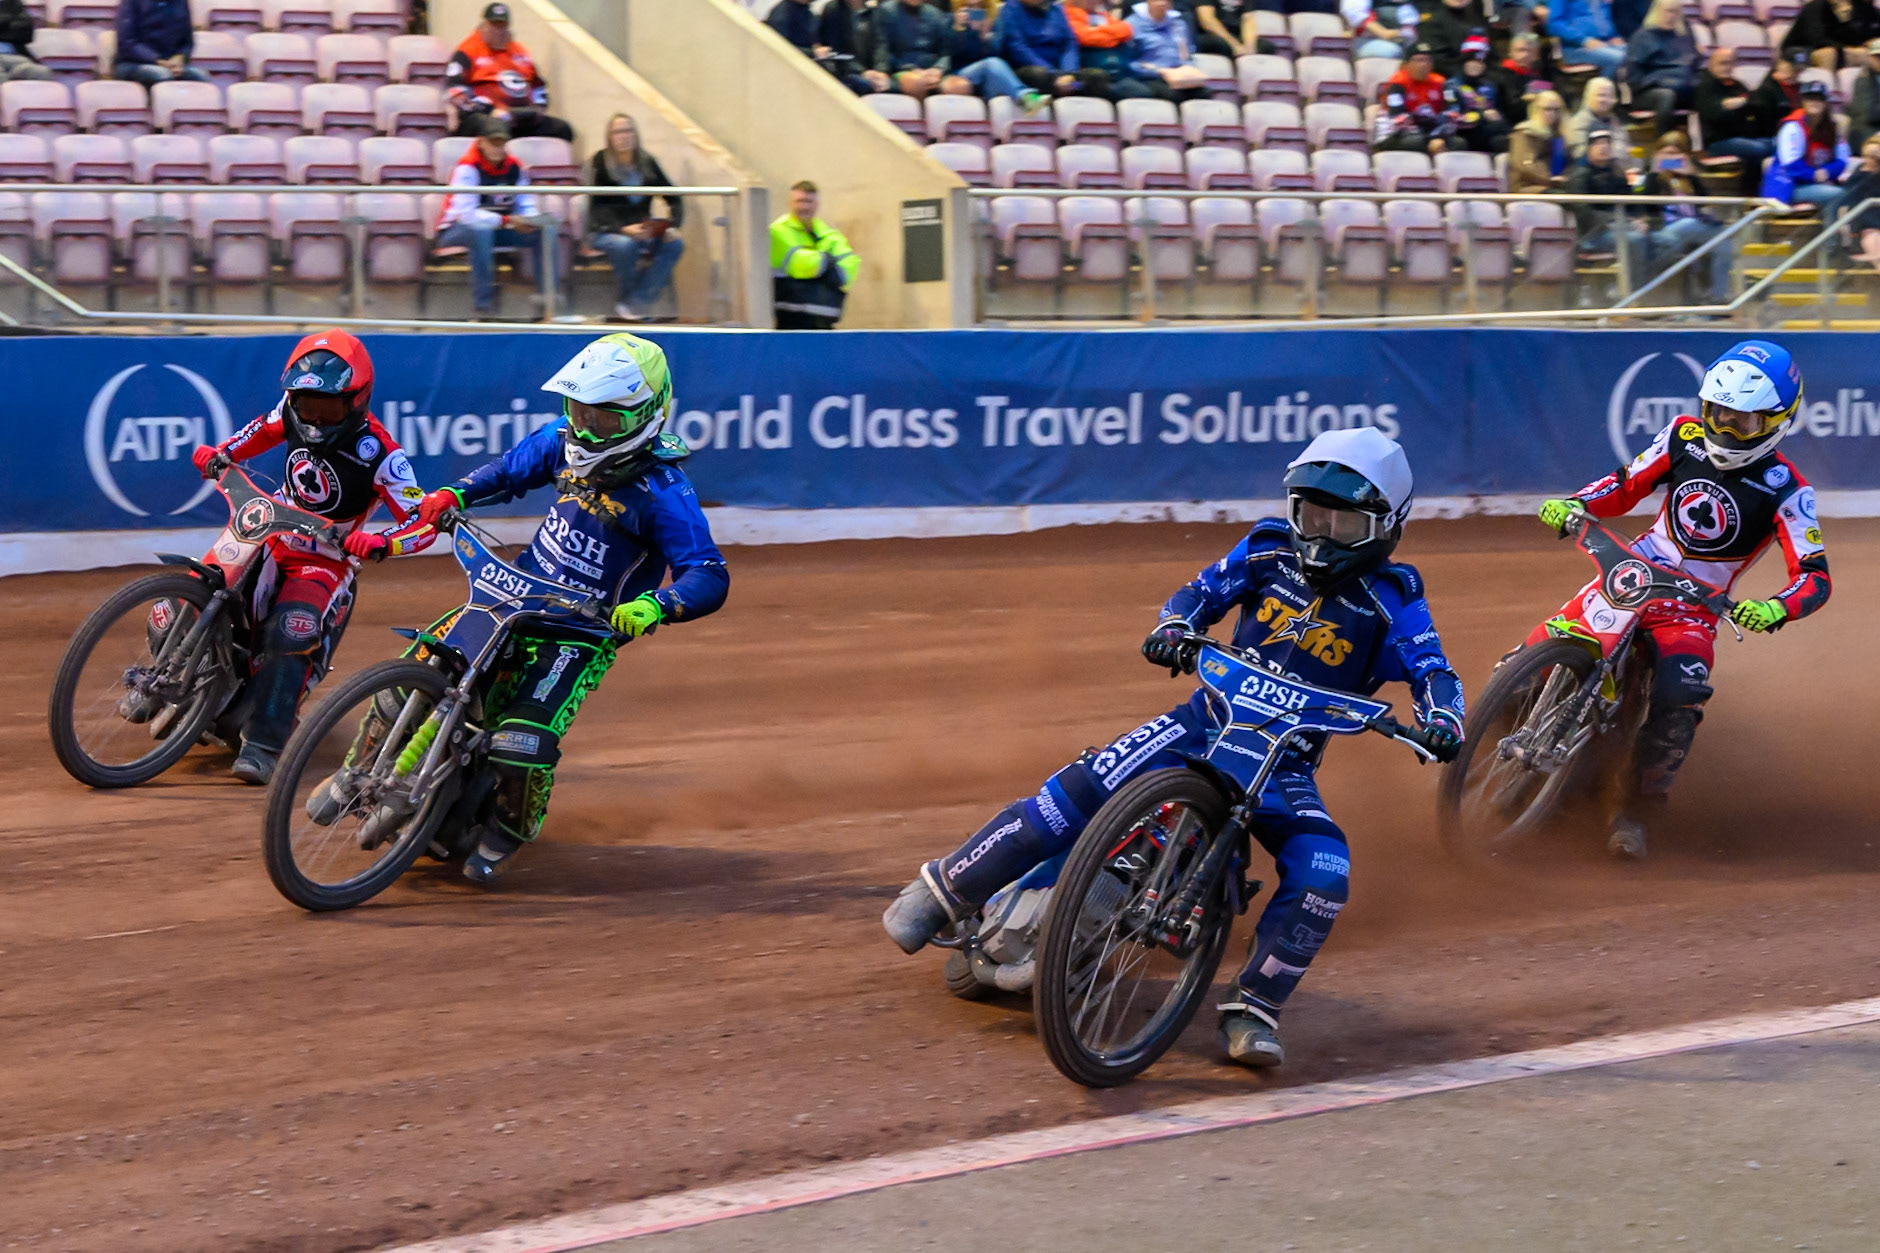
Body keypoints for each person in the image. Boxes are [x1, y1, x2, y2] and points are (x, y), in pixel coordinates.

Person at [881, 427, 1466, 1070]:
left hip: (1282, 763)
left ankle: (1254, 1008)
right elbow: (1199, 593)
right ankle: (942, 892)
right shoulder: (1268, 550)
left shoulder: (1394, 598)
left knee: (1326, 869)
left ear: (1387, 526)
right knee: (1073, 792)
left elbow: (1433, 670)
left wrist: (1443, 719)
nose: (1322, 534)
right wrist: (1175, 625)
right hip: (1199, 722)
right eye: (1312, 514)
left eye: (1344, 522)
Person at [412, 334, 729, 883]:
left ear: (646, 416)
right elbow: (509, 472)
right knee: (415, 669)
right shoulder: (561, 440)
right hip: (512, 591)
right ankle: (352, 775)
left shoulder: (665, 492)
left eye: (604, 421)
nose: (586, 430)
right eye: (579, 412)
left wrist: (658, 605)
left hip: (582, 631)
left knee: (521, 742)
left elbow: (709, 573)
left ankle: (509, 828)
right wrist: (455, 494)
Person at [1534, 341, 1829, 859]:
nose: (1724, 429)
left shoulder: (1788, 490)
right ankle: (1488, 737)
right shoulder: (1682, 437)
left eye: (1743, 422)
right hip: (1634, 569)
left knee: (1680, 693)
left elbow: (1814, 576)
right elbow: (1626, 485)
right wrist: (1576, 503)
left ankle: (1637, 811)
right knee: (1543, 646)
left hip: (1695, 607)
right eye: (1717, 413)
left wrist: (1775, 608)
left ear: (1779, 421)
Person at [183, 332, 434, 784]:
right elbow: (254, 435)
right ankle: (170, 675)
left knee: (291, 630)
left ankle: (264, 745)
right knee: (195, 587)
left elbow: (421, 521)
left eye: (329, 408)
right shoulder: (288, 413)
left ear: (358, 400)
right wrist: (220, 455)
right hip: (268, 524)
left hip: (324, 557)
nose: (315, 418)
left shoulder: (383, 454)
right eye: (306, 405)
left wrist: (383, 542)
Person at [434, 117, 544, 320]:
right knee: (480, 230)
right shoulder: (467, 167)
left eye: (501, 143)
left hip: (499, 228)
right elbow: (467, 215)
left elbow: (526, 202)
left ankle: (547, 300)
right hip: (454, 230)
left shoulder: (515, 167)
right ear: (481, 142)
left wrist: (531, 220)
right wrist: (508, 221)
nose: (497, 147)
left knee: (543, 232)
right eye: (493, 142)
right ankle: (483, 307)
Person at [586, 113, 684, 324]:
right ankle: (633, 307)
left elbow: (674, 197)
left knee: (675, 244)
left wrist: (672, 226)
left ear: (635, 134)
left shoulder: (647, 163)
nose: (623, 136)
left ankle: (635, 302)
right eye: (617, 132)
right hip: (604, 230)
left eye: (627, 130)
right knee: (625, 245)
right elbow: (594, 207)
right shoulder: (600, 162)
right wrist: (623, 228)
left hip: (641, 230)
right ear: (609, 137)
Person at [445, 1, 575, 140]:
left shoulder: (520, 52)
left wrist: (537, 110)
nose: (499, 31)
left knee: (562, 129)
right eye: (494, 26)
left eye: (503, 26)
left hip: (519, 116)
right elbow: (455, 91)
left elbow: (538, 86)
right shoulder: (467, 51)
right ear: (483, 26)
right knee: (497, 129)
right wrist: (490, 111)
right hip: (482, 117)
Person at [1640, 132, 1735, 302]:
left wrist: (1690, 174)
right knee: (1690, 224)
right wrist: (1658, 168)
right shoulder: (1652, 176)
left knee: (1725, 243)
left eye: (1676, 154)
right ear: (1658, 154)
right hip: (1663, 232)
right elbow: (1645, 201)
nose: (1672, 160)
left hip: (1693, 231)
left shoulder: (1688, 178)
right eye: (1667, 154)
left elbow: (1705, 201)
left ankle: (1718, 297)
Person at [771, 180, 860, 329]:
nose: (804, 206)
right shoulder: (778, 231)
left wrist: (821, 265)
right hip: (791, 322)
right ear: (790, 203)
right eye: (799, 201)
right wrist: (829, 262)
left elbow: (849, 266)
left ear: (816, 205)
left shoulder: (827, 232)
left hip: (825, 322)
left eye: (808, 201)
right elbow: (800, 263)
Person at [767, 0, 896, 95]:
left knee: (888, 86)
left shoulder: (807, 11)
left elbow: (880, 43)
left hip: (827, 67)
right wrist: (813, 52)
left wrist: (880, 71)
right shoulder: (783, 13)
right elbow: (778, 48)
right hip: (797, 74)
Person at [1696, 46, 1777, 190]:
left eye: (1730, 63)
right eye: (1722, 63)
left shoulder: (1736, 85)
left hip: (1743, 137)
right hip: (1718, 142)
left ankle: (1758, 191)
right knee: (1760, 148)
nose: (1727, 67)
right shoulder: (1704, 86)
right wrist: (1741, 107)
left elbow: (1755, 104)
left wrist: (1738, 104)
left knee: (1774, 144)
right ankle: (1751, 192)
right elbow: (1715, 115)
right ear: (1711, 63)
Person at [1568, 128, 1648, 272]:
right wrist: (1625, 221)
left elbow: (1632, 198)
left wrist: (1640, 218)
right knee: (1635, 240)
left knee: (1663, 240)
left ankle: (1651, 282)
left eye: (1606, 143)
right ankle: (1637, 289)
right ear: (1588, 148)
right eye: (1598, 143)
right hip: (1593, 234)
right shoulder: (1579, 174)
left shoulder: (1617, 172)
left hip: (1621, 225)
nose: (1603, 147)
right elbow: (1584, 213)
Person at [1762, 80, 1851, 208]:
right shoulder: (1793, 127)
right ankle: (1832, 228)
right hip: (1791, 184)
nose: (1814, 102)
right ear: (1803, 101)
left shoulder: (1832, 127)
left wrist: (1828, 171)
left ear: (1825, 103)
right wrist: (1814, 175)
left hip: (1817, 180)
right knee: (1837, 194)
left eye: (1819, 99)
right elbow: (1790, 164)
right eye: (1810, 98)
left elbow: (1843, 158)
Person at [1625, 0, 1699, 136]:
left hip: (1683, 87)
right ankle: (1664, 143)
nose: (1671, 16)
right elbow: (1633, 78)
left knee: (1706, 92)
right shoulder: (1642, 37)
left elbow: (1695, 65)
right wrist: (1661, 81)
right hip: (1649, 92)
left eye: (1675, 12)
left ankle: (1707, 147)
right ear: (1656, 11)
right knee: (1666, 95)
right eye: (1668, 11)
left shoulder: (1683, 36)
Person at [997, 0, 1099, 96]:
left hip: (1064, 74)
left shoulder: (1056, 9)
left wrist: (1069, 73)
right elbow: (1017, 48)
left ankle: (1074, 88)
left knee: (1095, 77)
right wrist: (1054, 74)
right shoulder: (1010, 9)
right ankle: (1051, 98)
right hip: (1032, 71)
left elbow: (1069, 43)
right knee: (1038, 75)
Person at [1373, 43, 1456, 153]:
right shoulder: (1398, 83)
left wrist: (1438, 134)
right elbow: (1398, 116)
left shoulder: (1441, 82)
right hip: (1394, 133)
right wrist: (1431, 138)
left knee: (1459, 143)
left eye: (1427, 60)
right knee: (1419, 142)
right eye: (1419, 60)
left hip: (1431, 132)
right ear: (1407, 64)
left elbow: (1452, 109)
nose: (1424, 64)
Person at [1126, 0, 1210, 100]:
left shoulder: (1179, 24)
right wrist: (1160, 71)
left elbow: (1188, 54)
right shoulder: (1131, 25)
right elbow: (1129, 62)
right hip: (1150, 77)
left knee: (1204, 92)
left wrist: (1188, 67)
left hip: (1179, 77)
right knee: (1174, 95)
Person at [114, 0, 211, 86]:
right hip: (133, 63)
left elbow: (187, 41)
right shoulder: (131, 2)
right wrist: (157, 60)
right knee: (162, 74)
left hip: (171, 64)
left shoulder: (181, 2)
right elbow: (127, 43)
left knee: (201, 76)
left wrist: (180, 57)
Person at [1449, 30, 1510, 153]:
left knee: (1502, 138)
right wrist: (1483, 115)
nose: (1475, 65)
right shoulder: (1451, 86)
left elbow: (1498, 115)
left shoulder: (1490, 87)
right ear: (1464, 63)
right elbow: (1453, 118)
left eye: (1480, 62)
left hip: (1486, 132)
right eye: (1471, 61)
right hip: (1462, 132)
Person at [1781, 0, 1880, 71]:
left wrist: (1846, 22)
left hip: (1838, 51)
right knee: (1828, 54)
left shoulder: (1858, 7)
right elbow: (1817, 40)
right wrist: (1847, 49)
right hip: (1800, 52)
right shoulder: (1815, 7)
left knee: (1871, 54)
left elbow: (1859, 38)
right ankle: (1828, 91)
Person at [1508, 88, 1570, 191]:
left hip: (1555, 184)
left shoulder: (1560, 136)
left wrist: (1567, 177)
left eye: (1556, 109)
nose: (1552, 113)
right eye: (1547, 109)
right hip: (1528, 186)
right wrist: (1550, 179)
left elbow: (1569, 162)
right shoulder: (1525, 132)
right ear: (1537, 109)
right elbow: (1524, 165)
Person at [1552, 0, 1626, 80]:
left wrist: (1614, 35)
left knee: (1636, 53)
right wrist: (1583, 40)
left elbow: (1608, 16)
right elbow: (1554, 24)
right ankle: (1602, 90)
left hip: (1606, 42)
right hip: (1576, 46)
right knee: (1617, 58)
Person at [1491, 32, 1553, 117]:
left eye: (1530, 51)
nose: (1525, 55)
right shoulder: (1501, 74)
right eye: (1520, 50)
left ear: (1536, 54)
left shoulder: (1543, 73)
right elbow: (1512, 107)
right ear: (1510, 52)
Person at [1423, 0, 1490, 78]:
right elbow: (1435, 59)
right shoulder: (1432, 20)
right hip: (1449, 76)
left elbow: (1489, 52)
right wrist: (1465, 71)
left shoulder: (1476, 14)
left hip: (1483, 74)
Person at [1565, 75, 1621, 158]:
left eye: (1608, 96)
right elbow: (1580, 154)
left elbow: (1623, 143)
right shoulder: (1578, 123)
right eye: (1600, 95)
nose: (1603, 100)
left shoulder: (1613, 119)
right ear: (1588, 97)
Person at [1341, 0, 1416, 60]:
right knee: (1392, 51)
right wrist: (1396, 33)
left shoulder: (1406, 6)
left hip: (1396, 40)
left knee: (1417, 54)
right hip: (1364, 40)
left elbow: (1410, 32)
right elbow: (1385, 34)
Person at [0, 0, 51, 83]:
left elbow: (26, 31)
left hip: (16, 56)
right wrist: (8, 22)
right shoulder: (10, 9)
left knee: (41, 72)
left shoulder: (11, 2)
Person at [1193, 0, 1261, 57]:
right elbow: (1207, 21)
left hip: (1237, 34)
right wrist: (1235, 45)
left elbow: (1248, 19)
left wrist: (1249, 47)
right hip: (1210, 34)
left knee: (1264, 46)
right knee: (1221, 45)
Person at [1848, 37, 1880, 147]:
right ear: (1870, 58)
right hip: (1866, 131)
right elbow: (1869, 113)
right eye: (1877, 56)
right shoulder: (1863, 79)